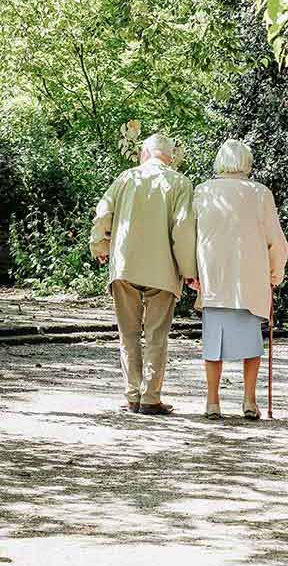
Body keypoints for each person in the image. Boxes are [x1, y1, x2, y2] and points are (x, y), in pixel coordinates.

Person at [90, 133, 197, 415]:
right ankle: (150, 398)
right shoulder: (180, 183)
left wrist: (99, 244)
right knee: (156, 335)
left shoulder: (126, 178)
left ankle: (132, 395)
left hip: (125, 266)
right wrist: (189, 271)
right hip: (163, 270)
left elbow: (103, 213)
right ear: (170, 157)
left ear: (144, 154)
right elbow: (184, 229)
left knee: (128, 333)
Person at [191, 139, 288, 420]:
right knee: (251, 344)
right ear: (247, 162)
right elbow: (275, 240)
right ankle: (249, 400)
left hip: (214, 278)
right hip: (250, 279)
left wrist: (192, 272)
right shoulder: (260, 194)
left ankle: (212, 402)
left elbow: (191, 236)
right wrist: (275, 273)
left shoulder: (203, 192)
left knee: (213, 344)